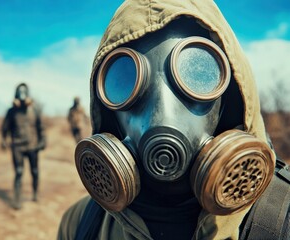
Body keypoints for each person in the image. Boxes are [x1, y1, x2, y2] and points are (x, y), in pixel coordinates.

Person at [58, 1, 290, 239]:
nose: (163, 111)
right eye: (125, 79)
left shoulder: (283, 218)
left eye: (198, 73)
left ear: (232, 97)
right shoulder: (80, 224)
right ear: (107, 111)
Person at [1, 83, 46, 209]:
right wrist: (4, 140)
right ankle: (17, 199)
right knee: (19, 172)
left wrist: (43, 141)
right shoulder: (11, 112)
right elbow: (5, 128)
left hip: (33, 146)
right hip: (17, 147)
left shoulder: (35, 110)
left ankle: (35, 193)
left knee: (35, 171)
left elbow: (41, 127)